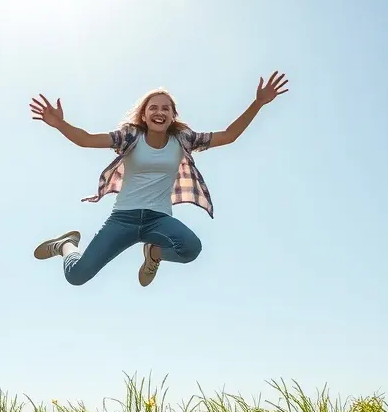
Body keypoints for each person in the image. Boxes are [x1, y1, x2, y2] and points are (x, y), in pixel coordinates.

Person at [29, 71, 289, 287]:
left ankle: (153, 253)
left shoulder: (183, 139)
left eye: (166, 108)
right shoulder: (130, 136)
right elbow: (86, 140)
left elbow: (229, 135)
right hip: (123, 219)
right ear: (144, 115)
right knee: (77, 276)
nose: (159, 112)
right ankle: (66, 245)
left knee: (190, 248)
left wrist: (258, 103)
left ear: (172, 115)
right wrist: (59, 124)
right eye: (153, 107)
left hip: (158, 219)